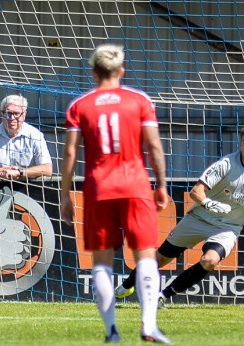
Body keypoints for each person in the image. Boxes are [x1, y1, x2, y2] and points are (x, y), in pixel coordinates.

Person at [60, 44, 171, 344]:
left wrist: (65, 194)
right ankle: (149, 325)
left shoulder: (79, 106)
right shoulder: (139, 101)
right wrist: (161, 183)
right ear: (121, 71)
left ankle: (111, 331)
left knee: (102, 262)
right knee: (146, 255)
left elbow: (70, 152)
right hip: (135, 186)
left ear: (94, 73)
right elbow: (154, 147)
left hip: (98, 188)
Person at [115, 123, 244, 307]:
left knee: (210, 260)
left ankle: (163, 296)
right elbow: (196, 192)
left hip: (227, 228)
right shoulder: (226, 165)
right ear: (240, 144)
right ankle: (127, 284)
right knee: (160, 259)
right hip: (199, 218)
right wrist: (209, 203)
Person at [0, 94, 53, 180]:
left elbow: (47, 168)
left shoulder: (35, 135)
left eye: (16, 113)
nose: (12, 118)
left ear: (24, 114)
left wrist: (20, 172)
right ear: (1, 114)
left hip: (28, 190)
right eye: (8, 113)